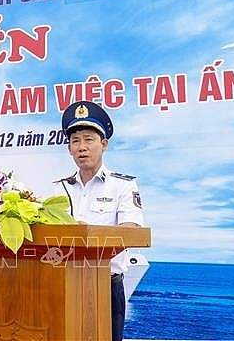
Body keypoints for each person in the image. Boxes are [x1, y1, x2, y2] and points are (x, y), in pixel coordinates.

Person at [54, 100, 145, 341]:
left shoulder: (123, 185)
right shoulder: (57, 189)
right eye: (75, 141)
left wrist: (87, 235)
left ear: (103, 144)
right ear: (69, 149)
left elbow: (131, 230)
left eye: (88, 139)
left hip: (105, 287)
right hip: (61, 285)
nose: (82, 147)